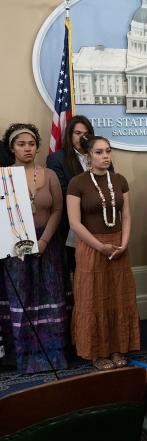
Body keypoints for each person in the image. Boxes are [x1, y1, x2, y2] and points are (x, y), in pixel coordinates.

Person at [66, 135, 140, 370]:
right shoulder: (77, 183)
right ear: (88, 156)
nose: (105, 156)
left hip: (118, 246)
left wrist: (124, 243)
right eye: (99, 152)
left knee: (118, 297)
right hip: (91, 248)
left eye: (108, 151)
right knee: (94, 299)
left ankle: (117, 348)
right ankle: (97, 352)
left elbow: (126, 215)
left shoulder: (119, 180)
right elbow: (75, 223)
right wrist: (99, 247)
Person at [0, 123, 69, 373]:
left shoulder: (49, 175)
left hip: (46, 245)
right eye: (21, 144)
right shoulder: (3, 176)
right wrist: (14, 242)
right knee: (23, 299)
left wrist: (43, 241)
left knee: (48, 296)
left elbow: (58, 210)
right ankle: (22, 357)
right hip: (15, 248)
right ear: (12, 147)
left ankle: (52, 354)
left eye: (31, 144)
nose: (27, 148)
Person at [47, 115, 114, 273]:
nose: (82, 137)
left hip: (102, 221)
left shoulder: (101, 155)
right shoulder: (57, 159)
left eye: (86, 133)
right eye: (77, 133)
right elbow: (62, 192)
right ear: (69, 135)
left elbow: (111, 184)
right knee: (80, 271)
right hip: (75, 226)